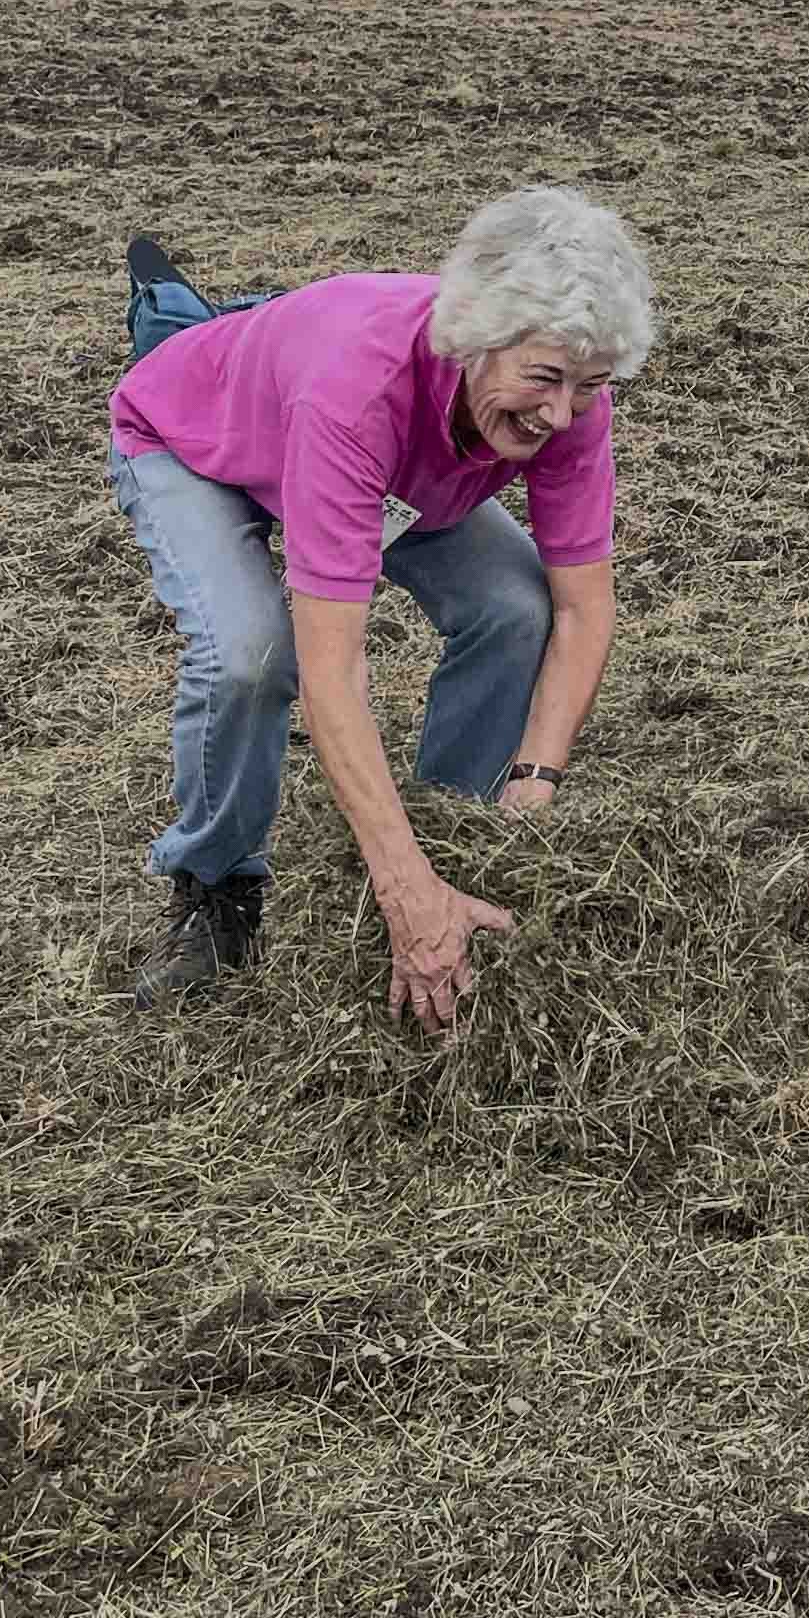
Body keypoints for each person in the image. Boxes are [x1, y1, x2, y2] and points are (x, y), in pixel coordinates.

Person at [105, 185, 653, 1029]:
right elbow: (335, 669)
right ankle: (215, 886)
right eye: (544, 378)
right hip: (198, 445)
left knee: (514, 608)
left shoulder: (569, 399)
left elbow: (582, 608)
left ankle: (449, 828)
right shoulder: (358, 391)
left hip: (383, 470)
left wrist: (532, 787)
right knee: (251, 655)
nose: (559, 413)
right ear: (474, 339)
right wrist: (403, 894)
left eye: (588, 385)